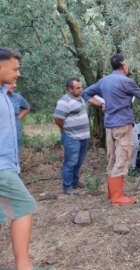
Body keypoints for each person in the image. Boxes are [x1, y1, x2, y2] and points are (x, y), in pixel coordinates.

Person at [82, 53, 140, 206]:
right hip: (123, 124)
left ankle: (112, 194)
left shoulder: (104, 81)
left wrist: (101, 104)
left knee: (112, 159)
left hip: (109, 126)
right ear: (124, 66)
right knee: (123, 157)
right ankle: (117, 197)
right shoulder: (126, 82)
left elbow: (85, 93)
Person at [0, 47, 37, 270]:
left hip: (8, 165)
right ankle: (23, 265)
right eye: (15, 69)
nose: (18, 74)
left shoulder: (5, 94)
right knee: (24, 207)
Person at [53, 78, 90, 195]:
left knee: (79, 161)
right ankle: (67, 186)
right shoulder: (64, 101)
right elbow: (58, 119)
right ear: (70, 89)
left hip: (83, 137)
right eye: (78, 88)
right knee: (70, 162)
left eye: (81, 87)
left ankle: (75, 182)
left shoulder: (80, 98)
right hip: (71, 137)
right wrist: (66, 130)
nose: (81, 89)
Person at [6, 82, 30, 155]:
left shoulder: (17, 97)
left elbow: (27, 107)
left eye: (15, 83)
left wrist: (17, 118)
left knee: (15, 154)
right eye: (10, 83)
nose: (15, 86)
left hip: (15, 133)